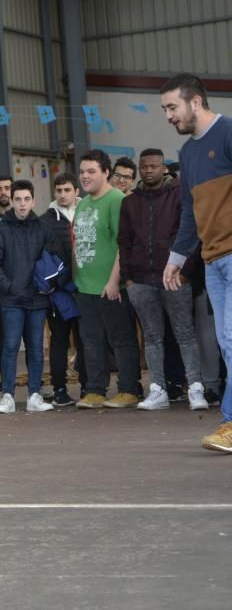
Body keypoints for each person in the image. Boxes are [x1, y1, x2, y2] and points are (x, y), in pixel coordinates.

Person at [159, 73, 232, 452]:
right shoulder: (187, 154)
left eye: (172, 107)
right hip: (211, 259)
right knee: (225, 341)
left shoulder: (229, 133)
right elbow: (190, 213)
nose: (169, 116)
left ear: (196, 102)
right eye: (165, 109)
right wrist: (176, 259)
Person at [120, 147, 207, 411]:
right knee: (152, 337)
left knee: (185, 334)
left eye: (154, 166)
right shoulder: (130, 202)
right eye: (144, 166)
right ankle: (157, 390)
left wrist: (185, 272)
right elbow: (123, 241)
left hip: (175, 278)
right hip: (141, 280)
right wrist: (128, 279)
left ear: (164, 168)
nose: (148, 171)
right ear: (139, 168)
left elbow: (192, 233)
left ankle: (195, 389)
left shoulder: (180, 196)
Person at [73, 149, 141, 409]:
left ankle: (128, 389)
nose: (85, 176)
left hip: (110, 286)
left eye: (91, 171)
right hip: (85, 286)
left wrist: (114, 281)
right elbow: (77, 242)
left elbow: (123, 245)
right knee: (90, 341)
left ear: (106, 173)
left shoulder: (116, 201)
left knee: (121, 339)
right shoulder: (83, 203)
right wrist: (74, 277)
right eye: (82, 172)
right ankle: (95, 390)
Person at [0, 180, 55, 414]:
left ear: (34, 201)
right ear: (11, 201)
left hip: (37, 299)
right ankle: (8, 396)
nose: (22, 204)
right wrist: (9, 287)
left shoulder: (44, 227)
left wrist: (49, 285)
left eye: (27, 199)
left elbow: (55, 259)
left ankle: (34, 394)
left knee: (36, 348)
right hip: (12, 301)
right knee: (10, 347)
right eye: (18, 199)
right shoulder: (1, 230)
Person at [42, 172, 86, 406]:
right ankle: (59, 390)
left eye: (67, 190)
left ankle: (90, 388)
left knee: (86, 339)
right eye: (58, 190)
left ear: (76, 191)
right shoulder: (45, 221)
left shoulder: (88, 212)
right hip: (58, 291)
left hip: (86, 287)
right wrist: (53, 283)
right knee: (59, 340)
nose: (62, 194)